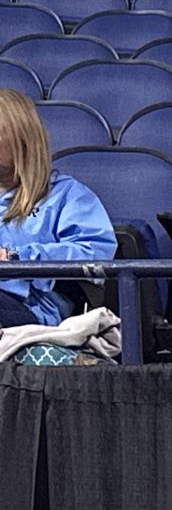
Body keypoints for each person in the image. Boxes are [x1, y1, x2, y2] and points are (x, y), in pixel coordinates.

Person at [0, 89, 116, 331]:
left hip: (32, 308)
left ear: (21, 138)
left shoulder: (67, 195)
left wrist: (16, 257)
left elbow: (94, 253)